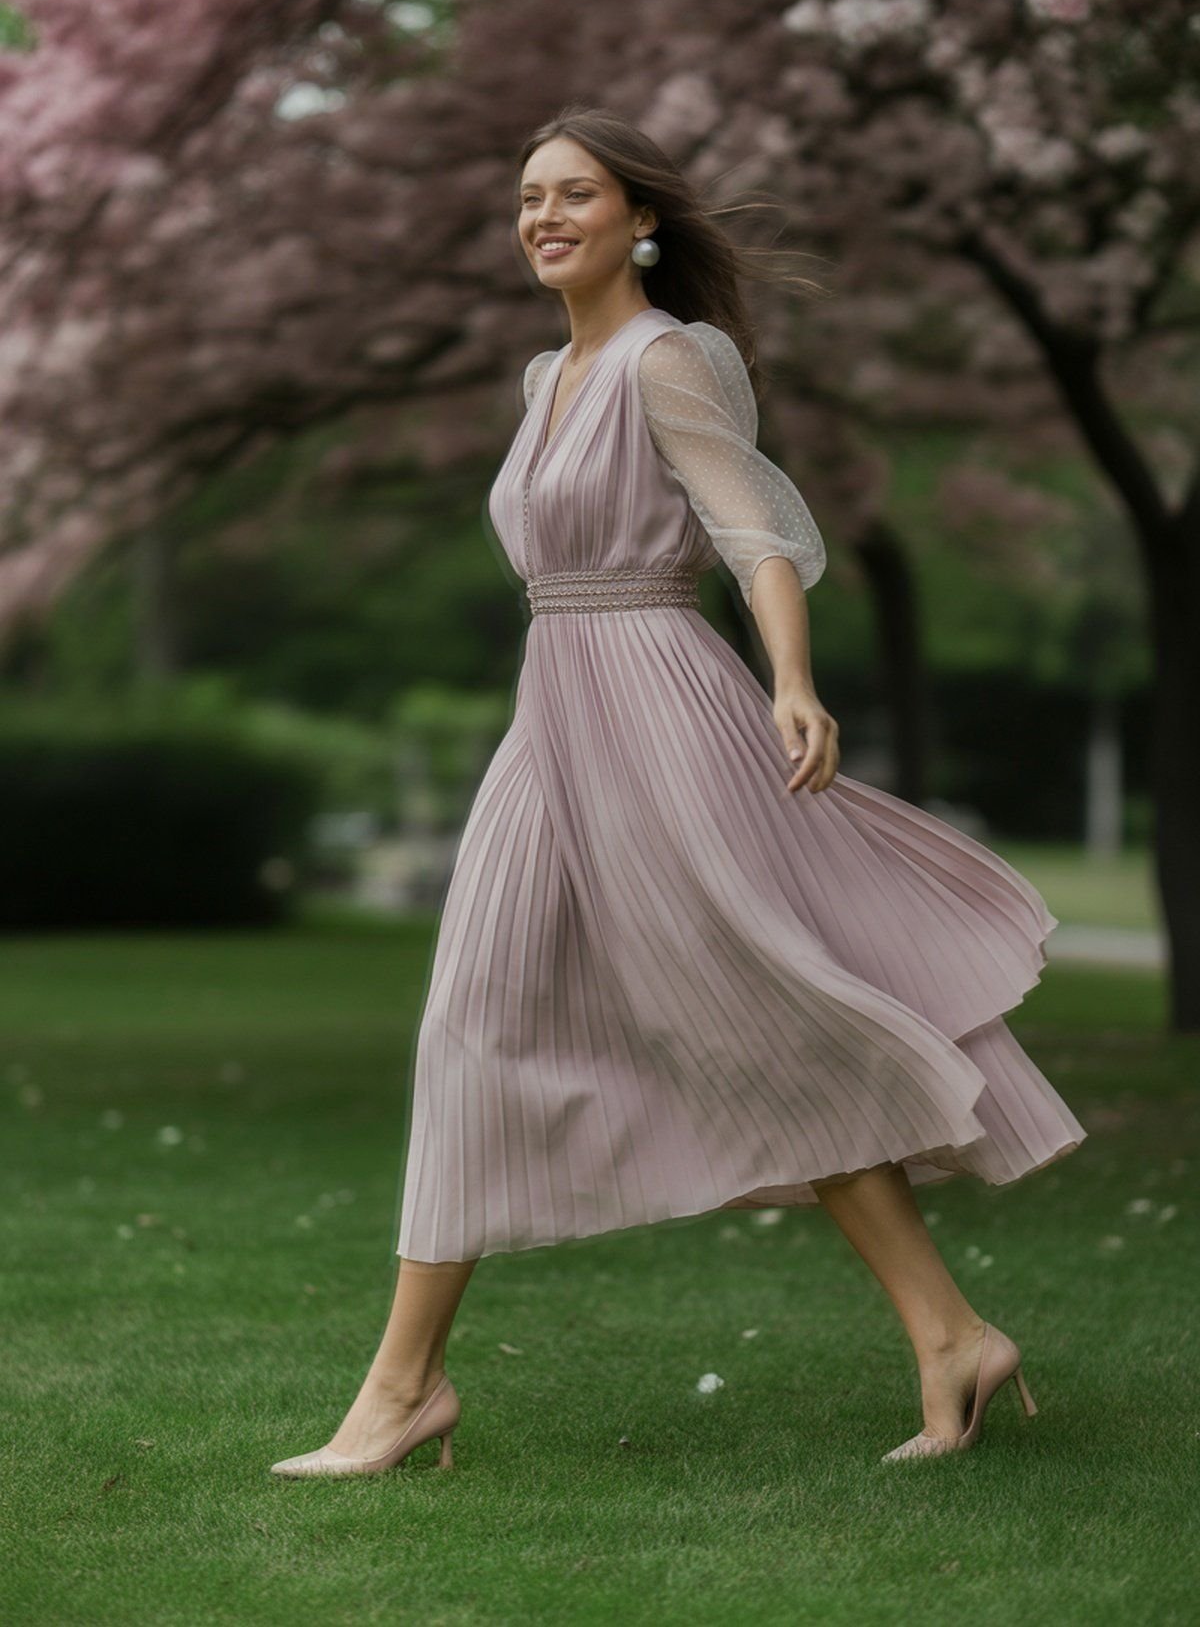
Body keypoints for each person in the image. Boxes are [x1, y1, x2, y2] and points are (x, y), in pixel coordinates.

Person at [271, 106, 1085, 1480]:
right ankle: (404, 1389)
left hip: (661, 703)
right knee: (472, 1012)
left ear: (638, 219)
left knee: (761, 1008)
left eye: (575, 193)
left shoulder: (670, 361)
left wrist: (794, 680)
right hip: (553, 716)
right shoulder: (545, 381)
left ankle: (948, 1336)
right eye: (528, 195)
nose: (544, 215)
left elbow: (753, 531)